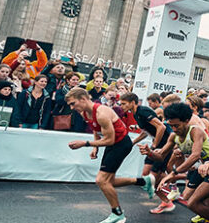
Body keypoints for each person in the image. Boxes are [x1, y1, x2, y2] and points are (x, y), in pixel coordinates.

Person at [65, 89, 155, 223]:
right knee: (110, 182)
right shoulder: (84, 113)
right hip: (113, 144)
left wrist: (85, 143)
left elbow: (110, 140)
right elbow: (96, 129)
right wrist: (95, 146)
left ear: (83, 99)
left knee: (101, 181)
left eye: (73, 103)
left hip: (121, 144)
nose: (72, 108)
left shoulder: (102, 113)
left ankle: (118, 214)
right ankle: (144, 181)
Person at [156, 102, 209, 223]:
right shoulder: (173, 136)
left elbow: (195, 156)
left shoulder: (196, 131)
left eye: (177, 126)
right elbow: (160, 156)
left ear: (186, 121)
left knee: (192, 203)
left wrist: (173, 173)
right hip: (201, 172)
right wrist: (149, 152)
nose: (174, 129)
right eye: (171, 126)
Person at [118, 93, 175, 214]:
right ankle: (169, 192)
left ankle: (168, 198)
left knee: (152, 179)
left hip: (165, 146)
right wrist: (132, 143)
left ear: (133, 102)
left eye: (124, 103)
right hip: (156, 146)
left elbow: (161, 127)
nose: (121, 106)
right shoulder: (135, 113)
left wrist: (154, 146)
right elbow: (145, 132)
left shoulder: (143, 111)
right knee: (146, 175)